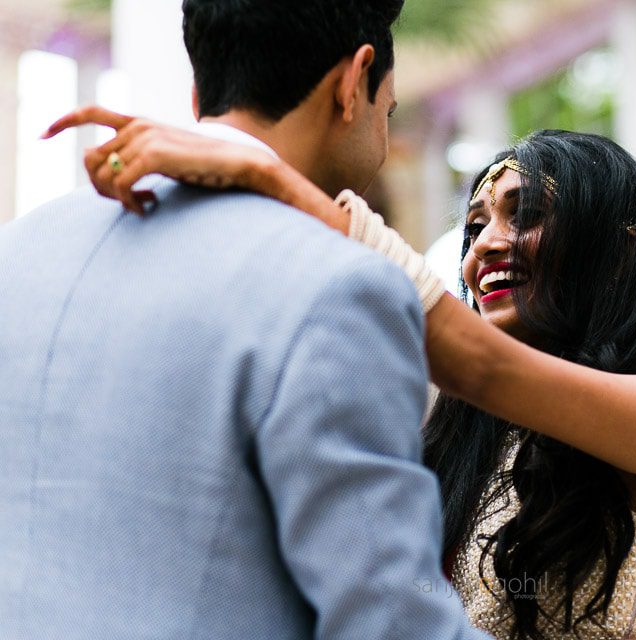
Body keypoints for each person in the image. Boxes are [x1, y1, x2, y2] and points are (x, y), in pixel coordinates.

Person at [48, 106, 636, 638]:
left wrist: (262, 173)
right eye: (473, 229)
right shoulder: (464, 433)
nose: (486, 247)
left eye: (523, 216)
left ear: (618, 253)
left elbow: (481, 365)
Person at [0, 1, 492, 639]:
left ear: (201, 88)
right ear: (353, 83)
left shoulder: (19, 248)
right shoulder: (340, 289)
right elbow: (388, 623)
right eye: (388, 111)